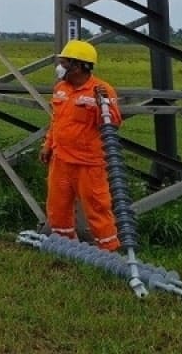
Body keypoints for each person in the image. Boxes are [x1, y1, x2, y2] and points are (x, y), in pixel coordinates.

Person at [38, 39, 122, 251]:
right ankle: (64, 246)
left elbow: (113, 123)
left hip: (89, 163)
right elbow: (56, 121)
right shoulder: (60, 89)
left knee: (97, 208)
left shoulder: (102, 91)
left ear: (78, 65)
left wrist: (98, 106)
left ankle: (110, 253)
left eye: (65, 63)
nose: (60, 67)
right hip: (61, 159)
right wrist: (48, 144)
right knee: (58, 207)